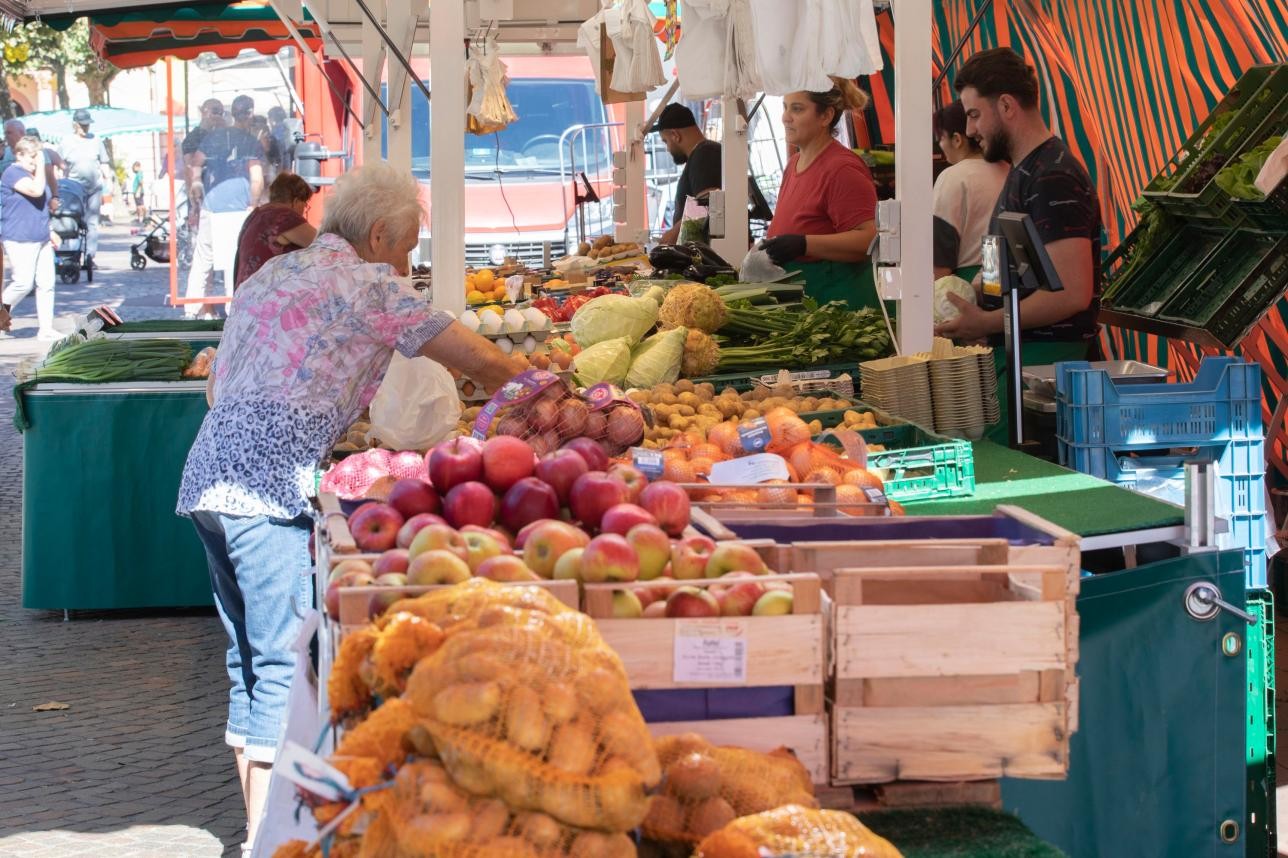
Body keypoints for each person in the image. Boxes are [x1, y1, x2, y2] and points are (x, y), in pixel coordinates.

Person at [176, 161, 520, 856]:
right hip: (265, 484)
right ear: (381, 234)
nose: (407, 264)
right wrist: (555, 387)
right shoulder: (366, 283)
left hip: (209, 474)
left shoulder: (274, 272)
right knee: (280, 666)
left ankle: (253, 834)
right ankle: (272, 844)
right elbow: (480, 360)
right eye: (407, 249)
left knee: (247, 664)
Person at [936, 47, 1102, 442]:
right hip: (1019, 361)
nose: (971, 130)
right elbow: (1003, 266)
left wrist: (987, 321)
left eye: (975, 115)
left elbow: (1074, 293)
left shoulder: (1053, 176)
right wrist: (970, 295)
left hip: (1049, 367)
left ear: (1007, 106)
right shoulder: (1024, 170)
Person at [759, 79, 879, 309]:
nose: (785, 117)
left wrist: (804, 244)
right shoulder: (794, 163)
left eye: (797, 109)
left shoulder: (842, 169)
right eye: (785, 107)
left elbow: (870, 239)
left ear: (825, 116)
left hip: (834, 305)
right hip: (801, 299)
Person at [185, 95, 265, 318]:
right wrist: (254, 204)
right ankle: (233, 308)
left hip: (211, 205)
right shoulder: (250, 141)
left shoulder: (216, 137)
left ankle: (192, 308)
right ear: (249, 114)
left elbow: (196, 162)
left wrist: (198, 184)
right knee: (234, 259)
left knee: (203, 258)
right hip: (238, 208)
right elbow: (257, 178)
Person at [931, 100, 1009, 280]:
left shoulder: (953, 176)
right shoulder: (1009, 170)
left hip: (965, 285)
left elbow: (941, 259)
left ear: (957, 139)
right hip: (1004, 278)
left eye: (941, 138)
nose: (940, 146)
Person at [1, 136, 59, 340]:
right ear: (19, 154)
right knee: (23, 283)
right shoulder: (12, 173)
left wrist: (50, 230)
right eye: (32, 157)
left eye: (38, 156)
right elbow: (35, 191)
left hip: (40, 235)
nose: (36, 161)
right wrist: (43, 166)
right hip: (20, 237)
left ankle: (46, 329)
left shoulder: (35, 174)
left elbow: (41, 204)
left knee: (46, 283)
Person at [653, 104, 721, 245]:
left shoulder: (705, 154)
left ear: (675, 135)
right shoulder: (702, 153)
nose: (667, 148)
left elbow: (708, 203)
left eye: (666, 141)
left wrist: (673, 233)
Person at [232, 172, 316, 288]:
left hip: (246, 295)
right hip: (266, 296)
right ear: (296, 201)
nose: (305, 210)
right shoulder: (284, 216)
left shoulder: (257, 214)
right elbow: (324, 245)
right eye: (305, 204)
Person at [57, 108, 111, 271]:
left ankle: (89, 256)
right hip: (74, 189)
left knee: (92, 222)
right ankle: (74, 256)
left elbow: (104, 162)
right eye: (82, 125)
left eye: (87, 125)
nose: (86, 128)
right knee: (73, 222)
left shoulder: (96, 140)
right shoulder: (66, 142)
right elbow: (60, 165)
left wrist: (108, 181)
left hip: (94, 188)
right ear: (75, 125)